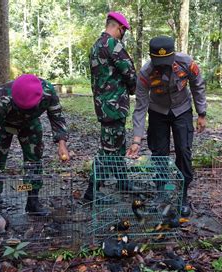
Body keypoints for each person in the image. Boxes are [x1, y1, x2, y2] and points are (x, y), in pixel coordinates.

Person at [126, 36, 207, 217]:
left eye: (166, 61)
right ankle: (161, 192)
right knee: (159, 153)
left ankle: (182, 194)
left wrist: (202, 113)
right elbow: (140, 107)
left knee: (184, 150)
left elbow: (197, 86)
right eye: (158, 62)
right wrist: (136, 140)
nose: (162, 66)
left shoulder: (187, 63)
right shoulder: (145, 73)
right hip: (158, 112)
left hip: (182, 110)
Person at [0, 74, 69, 217]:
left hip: (30, 124)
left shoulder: (48, 91)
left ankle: (33, 201)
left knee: (34, 162)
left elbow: (57, 118)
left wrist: (61, 144)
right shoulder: (2, 97)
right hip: (4, 125)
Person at [84, 11, 137, 202]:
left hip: (104, 105)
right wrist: (133, 88)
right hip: (114, 106)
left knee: (118, 145)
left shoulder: (96, 45)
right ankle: (91, 192)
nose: (123, 34)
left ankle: (122, 182)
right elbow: (129, 72)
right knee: (108, 150)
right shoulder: (113, 44)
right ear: (118, 28)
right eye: (123, 31)